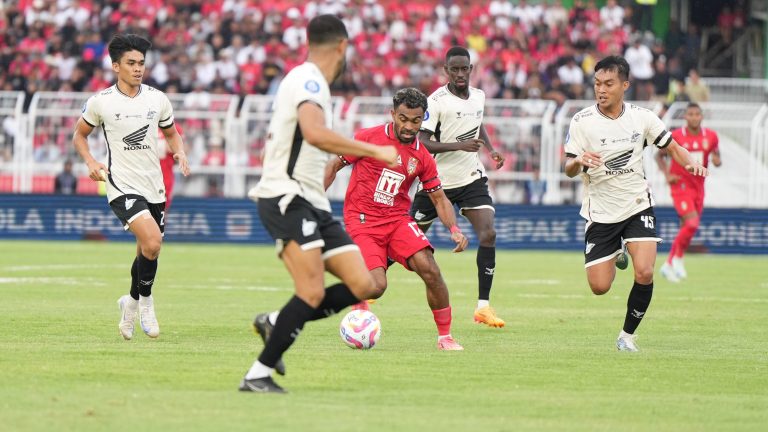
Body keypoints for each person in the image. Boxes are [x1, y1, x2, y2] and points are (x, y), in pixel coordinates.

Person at [241, 14, 398, 394]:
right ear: (342, 46)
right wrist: (375, 150)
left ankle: (275, 321)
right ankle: (257, 375)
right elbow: (314, 133)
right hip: (287, 197)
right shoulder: (308, 79)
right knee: (311, 291)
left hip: (314, 202)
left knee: (364, 284)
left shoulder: (310, 83)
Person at [563, 56, 707, 352]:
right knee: (599, 287)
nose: (601, 90)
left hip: (637, 203)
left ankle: (627, 336)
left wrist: (691, 161)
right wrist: (578, 161)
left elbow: (672, 147)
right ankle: (618, 250)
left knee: (644, 272)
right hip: (601, 211)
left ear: (625, 85)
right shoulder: (581, 121)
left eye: (608, 84)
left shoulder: (643, 118)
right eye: (597, 84)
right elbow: (568, 168)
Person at [325, 88, 469, 351]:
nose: (409, 126)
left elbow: (439, 198)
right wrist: (314, 201)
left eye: (416, 120)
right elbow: (334, 165)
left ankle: (445, 338)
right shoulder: (368, 138)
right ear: (393, 114)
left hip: (397, 220)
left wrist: (454, 229)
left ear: (423, 119)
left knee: (430, 269)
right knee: (376, 287)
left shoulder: (423, 156)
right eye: (403, 119)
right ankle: (356, 290)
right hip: (363, 220)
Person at [72, 34, 190, 341]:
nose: (138, 68)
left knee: (146, 250)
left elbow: (171, 133)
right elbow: (79, 135)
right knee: (152, 243)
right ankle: (147, 303)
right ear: (116, 66)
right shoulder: (101, 102)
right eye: (131, 63)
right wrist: (90, 161)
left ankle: (131, 302)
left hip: (154, 185)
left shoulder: (157, 99)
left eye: (141, 63)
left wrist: (179, 151)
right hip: (122, 185)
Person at [410, 46, 507, 328]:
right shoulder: (435, 102)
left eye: (465, 68)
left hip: (470, 179)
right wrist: (459, 146)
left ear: (471, 69)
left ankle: (483, 307)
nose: (460, 74)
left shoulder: (479, 96)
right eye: (455, 69)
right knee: (407, 241)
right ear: (446, 71)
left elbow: (477, 122)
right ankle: (368, 289)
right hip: (436, 183)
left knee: (488, 233)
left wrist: (490, 149)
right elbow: (422, 142)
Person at [655, 103, 720, 282]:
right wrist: (667, 174)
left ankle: (669, 264)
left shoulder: (711, 136)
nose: (694, 117)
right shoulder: (676, 136)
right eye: (690, 114)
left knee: (688, 227)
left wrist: (716, 160)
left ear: (701, 116)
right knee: (692, 224)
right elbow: (659, 156)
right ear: (685, 117)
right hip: (681, 185)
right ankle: (678, 258)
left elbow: (717, 156)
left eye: (697, 114)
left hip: (699, 187)